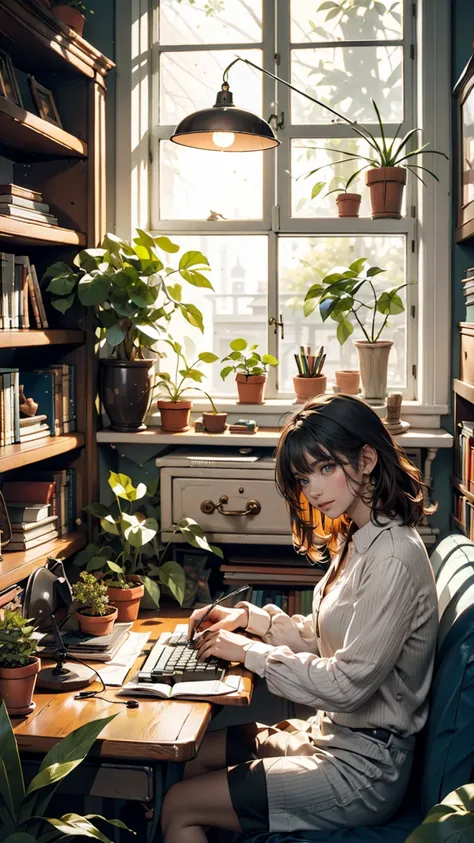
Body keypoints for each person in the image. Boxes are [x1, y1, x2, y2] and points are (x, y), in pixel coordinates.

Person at [160, 394, 439, 843]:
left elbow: (346, 685)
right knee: (184, 761)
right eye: (302, 476)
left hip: (363, 770)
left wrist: (249, 652)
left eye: (326, 468)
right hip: (329, 738)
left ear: (366, 458)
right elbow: (323, 636)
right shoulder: (360, 535)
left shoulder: (393, 557)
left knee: (180, 806)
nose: (312, 489)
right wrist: (247, 620)